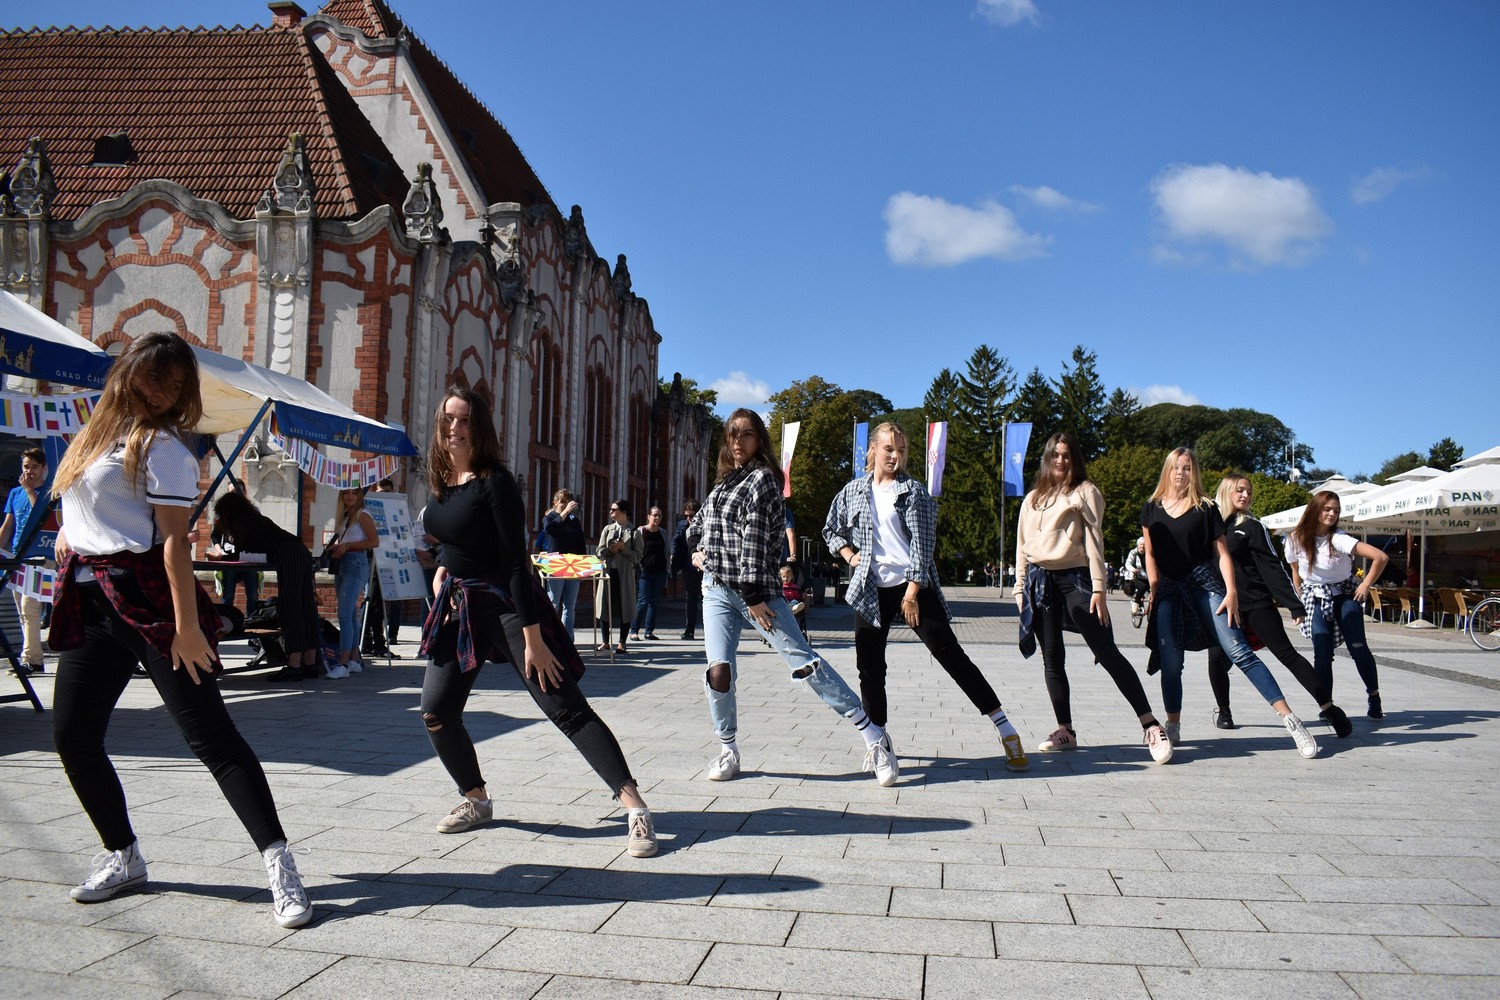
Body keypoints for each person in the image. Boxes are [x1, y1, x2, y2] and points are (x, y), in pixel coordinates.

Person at [46, 331, 310, 926]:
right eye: (153, 376)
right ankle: (123, 853)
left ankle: (280, 864)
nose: (162, 391)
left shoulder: (163, 448)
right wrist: (73, 530)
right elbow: (87, 503)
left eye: (174, 383)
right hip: (93, 605)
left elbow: (172, 543)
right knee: (74, 737)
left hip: (151, 602)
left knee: (212, 739)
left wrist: (188, 629)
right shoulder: (94, 434)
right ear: (128, 372)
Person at [416, 386, 657, 856]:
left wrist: (534, 641)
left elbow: (514, 564)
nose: (453, 427)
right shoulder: (443, 480)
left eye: (463, 419)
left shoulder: (495, 481)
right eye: (448, 418)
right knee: (436, 712)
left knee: (564, 706)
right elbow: (453, 536)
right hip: (459, 609)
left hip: (506, 606)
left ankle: (636, 808)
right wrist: (445, 564)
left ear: (479, 426)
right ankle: (476, 799)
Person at [689, 408, 892, 785]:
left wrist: (751, 596)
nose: (737, 442)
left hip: (758, 595)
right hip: (716, 590)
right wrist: (694, 550)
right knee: (718, 671)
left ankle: (873, 736)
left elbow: (753, 541)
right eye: (732, 435)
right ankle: (728, 748)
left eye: (746, 434)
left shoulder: (763, 480)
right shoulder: (723, 483)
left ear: (759, 440)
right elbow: (697, 525)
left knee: (805, 664)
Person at [826, 421, 1031, 777]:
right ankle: (880, 744)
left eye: (901, 450)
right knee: (870, 669)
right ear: (872, 449)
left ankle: (1005, 729)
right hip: (871, 590)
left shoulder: (914, 492)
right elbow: (831, 528)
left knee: (951, 655)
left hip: (914, 590)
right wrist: (849, 555)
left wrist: (911, 595)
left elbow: (923, 548)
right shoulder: (853, 491)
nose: (895, 456)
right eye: (889, 448)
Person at [1141, 448, 1320, 758]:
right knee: (1171, 663)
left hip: (1204, 583)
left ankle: (1290, 719)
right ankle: (1173, 724)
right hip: (1169, 587)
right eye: (1175, 467)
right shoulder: (1151, 508)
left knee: (1239, 651)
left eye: (1187, 468)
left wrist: (1232, 592)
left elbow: (1223, 554)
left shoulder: (1205, 508)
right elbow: (1151, 554)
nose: (1181, 473)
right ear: (1167, 471)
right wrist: (1154, 590)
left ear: (1193, 472)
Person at [1013, 433, 1173, 764]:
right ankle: (1065, 729)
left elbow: (1094, 539)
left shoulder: (1086, 491)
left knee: (1106, 651)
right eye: (1055, 455)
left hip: (1075, 579)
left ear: (1075, 459)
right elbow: (1021, 546)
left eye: (1067, 455)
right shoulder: (1032, 498)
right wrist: (1019, 588)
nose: (1061, 461)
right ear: (1047, 458)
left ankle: (1151, 724)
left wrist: (1099, 587)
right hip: (1040, 582)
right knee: (1052, 659)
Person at [1206, 475, 1354, 736]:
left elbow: (1273, 566)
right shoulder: (1211, 525)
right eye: (1239, 490)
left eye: (1248, 491)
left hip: (1256, 603)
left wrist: (1293, 604)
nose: (1245, 495)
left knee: (1288, 655)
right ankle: (1224, 709)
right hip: (1224, 605)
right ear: (1226, 491)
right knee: (1217, 657)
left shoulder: (1252, 526)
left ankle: (1329, 708)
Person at [1285, 490, 1390, 720]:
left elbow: (1380, 557)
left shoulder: (1339, 538)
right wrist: (1298, 602)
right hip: (1315, 595)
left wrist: (1365, 586)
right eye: (1327, 509)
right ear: (1315, 509)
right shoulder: (1295, 539)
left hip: (1343, 593)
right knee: (1322, 653)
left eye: (1336, 510)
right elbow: (1295, 573)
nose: (1332, 514)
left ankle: (1374, 696)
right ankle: (1327, 706)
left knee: (1358, 647)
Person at [211, 490, 323, 683]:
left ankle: (294, 664)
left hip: (286, 555)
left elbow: (244, 555)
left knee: (290, 607)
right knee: (306, 606)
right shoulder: (256, 519)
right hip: (300, 551)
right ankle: (310, 663)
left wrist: (222, 557)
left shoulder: (240, 524)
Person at [0, 446, 52, 673]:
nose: (29, 471)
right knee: (23, 611)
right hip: (17, 556)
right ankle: (34, 658)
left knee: (29, 607)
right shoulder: (15, 493)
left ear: (43, 468)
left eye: (34, 467)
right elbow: (8, 525)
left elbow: (41, 517)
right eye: (26, 467)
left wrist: (31, 491)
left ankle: (31, 658)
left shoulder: (49, 492)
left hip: (40, 557)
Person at [328, 488, 379, 677]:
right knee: (350, 614)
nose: (350, 496)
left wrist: (347, 545)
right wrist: (338, 545)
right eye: (346, 493)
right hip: (343, 563)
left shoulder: (362, 514)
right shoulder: (346, 515)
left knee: (344, 614)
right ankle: (354, 659)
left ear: (359, 497)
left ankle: (342, 664)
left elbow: (374, 542)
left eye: (354, 493)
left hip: (356, 563)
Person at [534, 488, 588, 637]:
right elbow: (550, 530)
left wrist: (582, 568)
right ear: (555, 502)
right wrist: (563, 514)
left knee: (569, 606)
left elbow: (580, 543)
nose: (565, 505)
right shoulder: (549, 517)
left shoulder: (574, 521)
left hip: (573, 564)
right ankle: (551, 637)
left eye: (568, 502)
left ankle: (568, 639)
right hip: (555, 563)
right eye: (562, 501)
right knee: (554, 603)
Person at [595, 499, 641, 653]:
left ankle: (622, 642)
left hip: (625, 574)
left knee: (625, 606)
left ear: (623, 512)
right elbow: (599, 552)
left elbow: (638, 557)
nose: (611, 512)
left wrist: (623, 548)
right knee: (604, 605)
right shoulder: (607, 529)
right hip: (608, 572)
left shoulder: (634, 533)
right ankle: (605, 641)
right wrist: (609, 550)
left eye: (614, 510)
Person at [361, 477, 400, 658]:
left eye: (390, 493)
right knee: (373, 601)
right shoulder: (368, 512)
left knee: (380, 602)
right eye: (383, 493)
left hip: (387, 559)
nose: (387, 497)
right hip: (372, 560)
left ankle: (371, 641)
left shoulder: (393, 511)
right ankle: (372, 641)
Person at [629, 505, 668, 641]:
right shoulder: (641, 531)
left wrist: (667, 569)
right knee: (643, 601)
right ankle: (634, 631)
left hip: (660, 573)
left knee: (654, 602)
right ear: (649, 516)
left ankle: (649, 631)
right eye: (655, 515)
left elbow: (666, 551)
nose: (657, 518)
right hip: (645, 572)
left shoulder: (663, 533)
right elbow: (634, 550)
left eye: (659, 516)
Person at [670, 499, 702, 640]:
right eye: (686, 516)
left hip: (704, 566)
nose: (689, 519)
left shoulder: (706, 525)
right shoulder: (682, 526)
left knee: (708, 598)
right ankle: (690, 629)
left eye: (692, 515)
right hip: (688, 567)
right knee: (691, 598)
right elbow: (675, 540)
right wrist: (673, 553)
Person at [1122, 537, 1149, 617]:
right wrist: (1133, 569)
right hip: (1139, 576)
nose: (1142, 547)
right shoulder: (1133, 552)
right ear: (1138, 545)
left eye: (1144, 545)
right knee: (1142, 587)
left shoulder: (1149, 553)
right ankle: (1136, 603)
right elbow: (1128, 564)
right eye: (1141, 545)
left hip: (1149, 576)